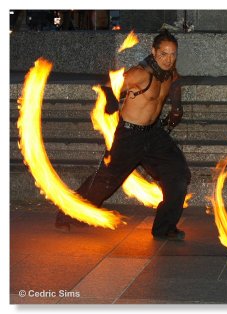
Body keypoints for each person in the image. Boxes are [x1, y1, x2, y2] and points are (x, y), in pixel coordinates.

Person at [55, 30, 191, 241]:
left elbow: (174, 93)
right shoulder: (140, 73)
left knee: (178, 175)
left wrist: (175, 110)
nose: (168, 59)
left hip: (154, 134)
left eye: (173, 54)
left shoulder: (171, 74)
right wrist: (110, 104)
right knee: (105, 181)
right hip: (130, 136)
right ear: (153, 52)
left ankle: (164, 229)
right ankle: (68, 213)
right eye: (163, 54)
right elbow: (109, 87)